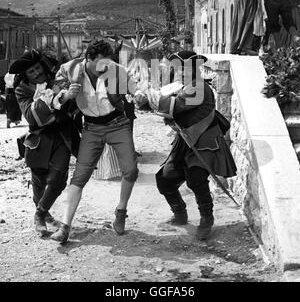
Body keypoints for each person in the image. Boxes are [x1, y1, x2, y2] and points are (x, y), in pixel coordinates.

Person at [136, 51, 237, 240]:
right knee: (165, 178)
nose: (180, 72)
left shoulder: (199, 88)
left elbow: (175, 106)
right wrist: (143, 101)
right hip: (186, 140)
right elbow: (162, 104)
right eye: (179, 68)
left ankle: (207, 219)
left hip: (204, 140)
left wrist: (149, 93)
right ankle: (180, 214)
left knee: (196, 178)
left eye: (183, 68)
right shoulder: (185, 86)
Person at [50, 39, 139, 243]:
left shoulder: (116, 70)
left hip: (118, 124)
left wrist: (140, 95)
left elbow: (135, 88)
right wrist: (65, 96)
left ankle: (121, 211)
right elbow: (54, 95)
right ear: (88, 59)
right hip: (91, 128)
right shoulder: (69, 69)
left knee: (131, 171)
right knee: (79, 176)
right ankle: (65, 227)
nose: (104, 69)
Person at [9, 49, 81, 238]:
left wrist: (69, 98)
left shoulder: (57, 79)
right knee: (39, 179)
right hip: (40, 137)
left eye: (37, 68)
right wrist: (55, 100)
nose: (36, 73)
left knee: (58, 179)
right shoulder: (22, 90)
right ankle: (44, 211)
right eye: (31, 71)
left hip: (63, 135)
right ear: (25, 75)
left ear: (42, 66)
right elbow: (31, 117)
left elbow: (71, 107)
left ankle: (39, 215)